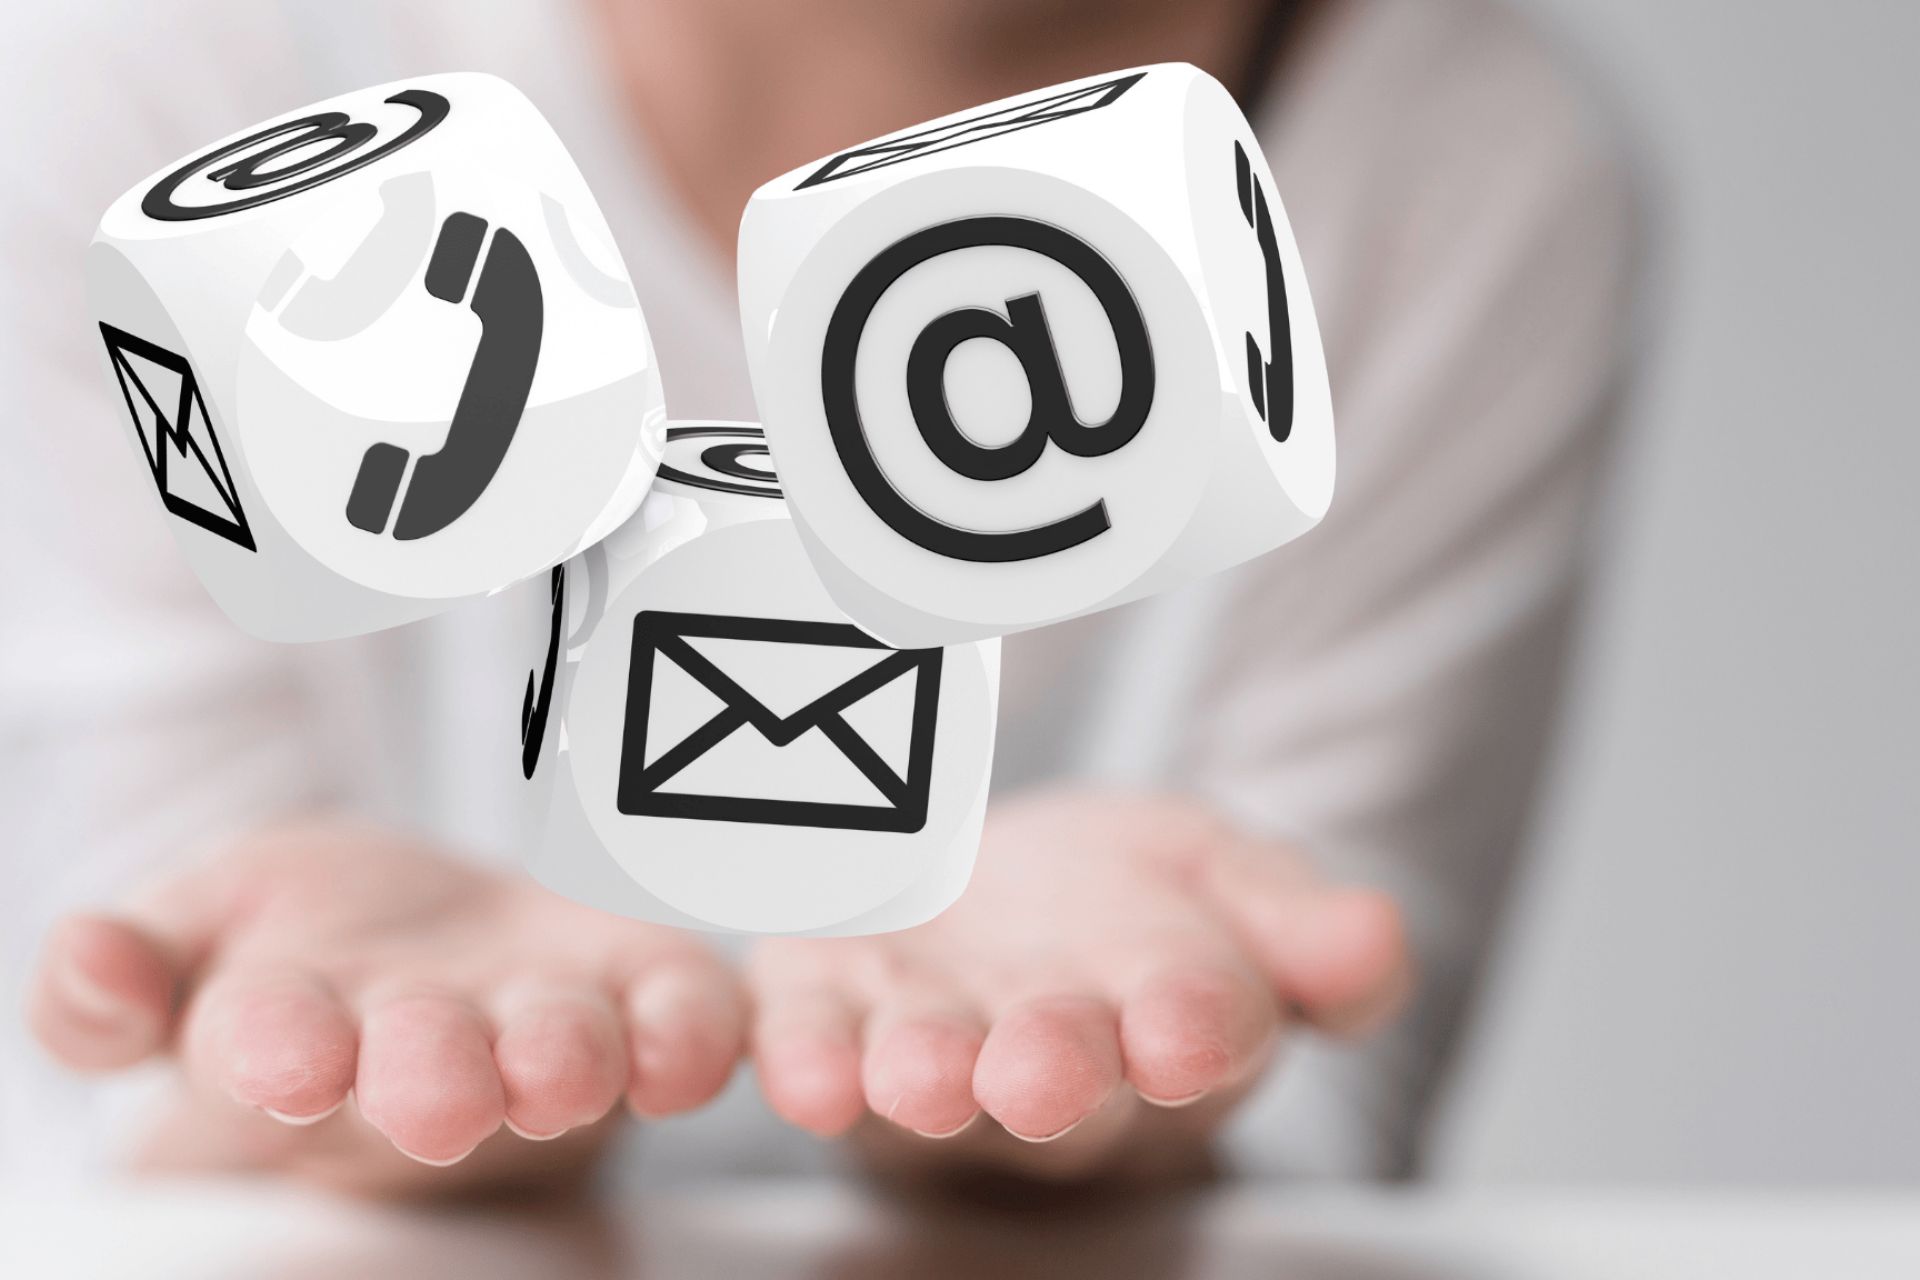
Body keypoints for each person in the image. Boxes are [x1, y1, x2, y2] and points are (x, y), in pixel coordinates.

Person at [2, 0, 1637, 1193]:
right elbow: (130, 1082)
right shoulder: (165, 93)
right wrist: (280, 1094)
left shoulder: (1465, 159)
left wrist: (1143, 1089)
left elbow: (1333, 1099)